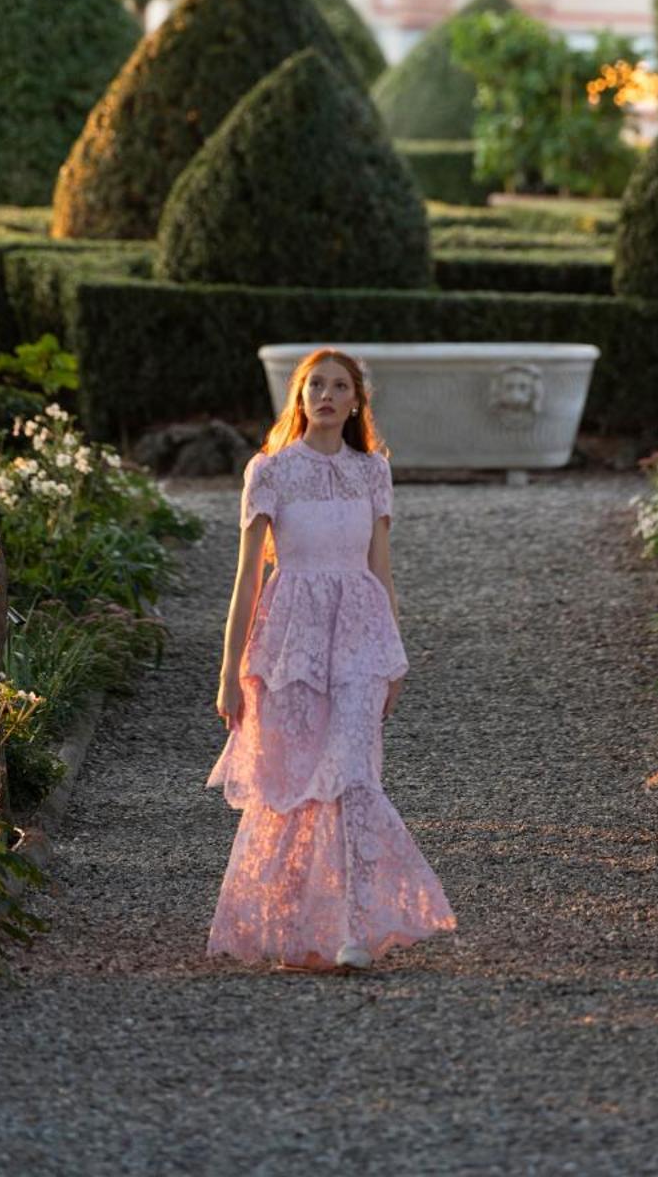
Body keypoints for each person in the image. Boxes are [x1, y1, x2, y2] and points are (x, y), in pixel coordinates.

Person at [205, 346, 457, 972]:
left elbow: (380, 572)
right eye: (314, 384)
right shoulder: (268, 471)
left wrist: (393, 655)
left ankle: (354, 928)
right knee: (292, 788)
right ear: (299, 396)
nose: (325, 394)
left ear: (354, 401)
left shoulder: (372, 473)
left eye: (338, 386)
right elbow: (246, 582)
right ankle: (291, 926)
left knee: (352, 779)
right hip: (289, 642)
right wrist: (230, 670)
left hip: (362, 641)